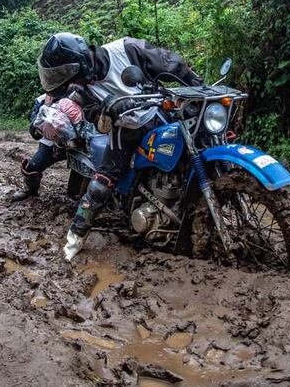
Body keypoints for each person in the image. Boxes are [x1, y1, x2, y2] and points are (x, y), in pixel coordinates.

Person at [37, 33, 202, 261]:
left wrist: (195, 84)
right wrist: (107, 109)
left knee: (196, 148)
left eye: (68, 74)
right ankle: (75, 238)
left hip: (159, 113)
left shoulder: (127, 49)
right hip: (125, 131)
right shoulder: (81, 90)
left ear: (79, 62)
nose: (69, 81)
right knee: (101, 183)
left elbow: (168, 63)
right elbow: (94, 117)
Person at [11, 88, 87, 201]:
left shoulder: (88, 95)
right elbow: (35, 131)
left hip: (81, 143)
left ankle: (80, 194)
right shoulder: (43, 100)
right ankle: (29, 189)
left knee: (86, 167)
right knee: (33, 167)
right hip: (52, 143)